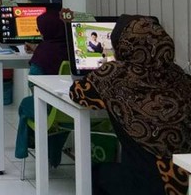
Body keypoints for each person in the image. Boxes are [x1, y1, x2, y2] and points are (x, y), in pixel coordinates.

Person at [70, 15, 191, 195]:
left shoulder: (113, 74)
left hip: (155, 181)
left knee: (94, 175)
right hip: (186, 178)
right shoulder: (178, 74)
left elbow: (78, 93)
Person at [15, 9, 69, 164]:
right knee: (59, 120)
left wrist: (38, 51)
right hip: (71, 110)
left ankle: (23, 150)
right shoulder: (73, 49)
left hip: (50, 111)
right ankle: (53, 155)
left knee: (26, 105)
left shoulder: (43, 51)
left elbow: (33, 82)